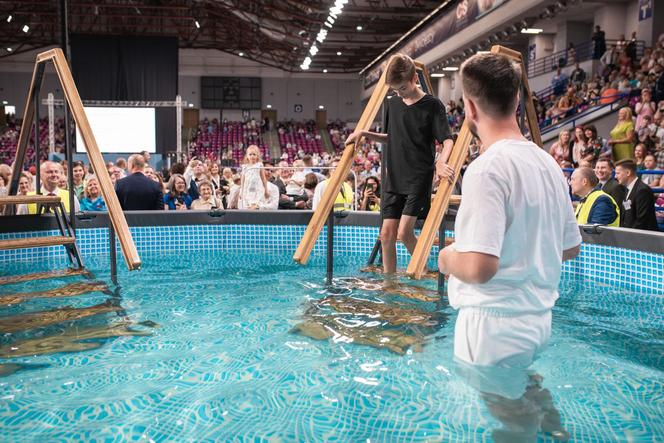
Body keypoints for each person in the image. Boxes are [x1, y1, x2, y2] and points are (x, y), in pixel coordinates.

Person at [438, 52, 581, 441]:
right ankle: (559, 435)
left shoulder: (488, 168)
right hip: (538, 319)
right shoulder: (548, 163)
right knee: (528, 391)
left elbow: (482, 267)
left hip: (493, 326)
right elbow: (570, 248)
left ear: (468, 108)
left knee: (512, 424)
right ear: (517, 100)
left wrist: (448, 258)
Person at [346, 53, 454, 275]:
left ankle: (422, 271)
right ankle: (389, 284)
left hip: (418, 177)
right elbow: (391, 136)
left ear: (415, 78)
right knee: (386, 234)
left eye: (402, 88)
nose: (398, 93)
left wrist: (441, 161)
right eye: (394, 89)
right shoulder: (393, 103)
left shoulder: (432, 105)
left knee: (404, 233)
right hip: (394, 177)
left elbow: (447, 139)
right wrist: (365, 133)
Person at [614, 159, 659, 230]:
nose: (615, 177)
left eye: (618, 173)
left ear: (628, 173)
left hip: (642, 237)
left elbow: (642, 220)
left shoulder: (643, 190)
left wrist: (628, 236)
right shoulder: (627, 188)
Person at [239, 145, 270, 210]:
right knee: (248, 204)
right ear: (247, 156)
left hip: (257, 188)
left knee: (256, 204)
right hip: (247, 188)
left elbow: (263, 179)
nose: (252, 156)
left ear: (257, 156)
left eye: (254, 154)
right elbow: (243, 180)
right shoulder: (245, 167)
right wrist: (240, 191)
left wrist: (266, 190)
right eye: (250, 154)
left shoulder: (259, 165)